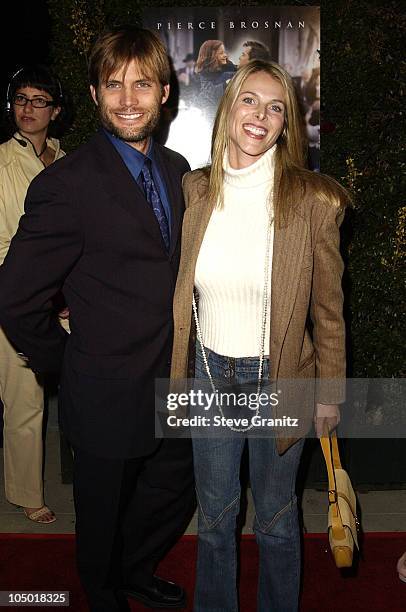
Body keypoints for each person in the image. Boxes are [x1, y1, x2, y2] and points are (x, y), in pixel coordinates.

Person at [0, 27, 195, 612]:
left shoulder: (179, 167)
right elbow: (13, 296)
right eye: (114, 84)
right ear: (93, 94)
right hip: (104, 386)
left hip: (176, 380)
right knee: (102, 510)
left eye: (141, 83)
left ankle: (136, 569)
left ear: (164, 92)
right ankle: (105, 593)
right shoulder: (66, 183)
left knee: (172, 488)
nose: (128, 98)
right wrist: (66, 363)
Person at [170, 59, 350, 611]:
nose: (260, 115)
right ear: (228, 107)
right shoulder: (194, 189)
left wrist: (328, 393)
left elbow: (329, 309)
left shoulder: (313, 200)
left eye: (276, 107)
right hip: (209, 371)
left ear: (286, 124)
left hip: (282, 377)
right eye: (250, 99)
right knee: (217, 515)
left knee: (275, 518)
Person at [0, 64, 68, 524]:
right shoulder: (2, 163)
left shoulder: (67, 161)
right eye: (21, 99)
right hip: (17, 298)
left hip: (64, 299)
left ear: (55, 111)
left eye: (38, 100)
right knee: (24, 399)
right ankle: (26, 492)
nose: (28, 108)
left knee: (74, 392)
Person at [194, 40, 236, 112]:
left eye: (224, 52)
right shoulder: (204, 74)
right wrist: (226, 83)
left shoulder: (229, 66)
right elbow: (209, 93)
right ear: (212, 56)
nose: (225, 55)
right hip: (211, 110)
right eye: (221, 53)